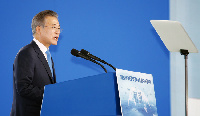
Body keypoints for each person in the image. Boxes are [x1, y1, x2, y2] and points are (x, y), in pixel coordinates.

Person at [10, 10, 61, 116]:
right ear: (39, 29)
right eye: (53, 27)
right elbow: (24, 88)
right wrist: (52, 93)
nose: (57, 31)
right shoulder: (27, 53)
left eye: (59, 28)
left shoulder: (47, 56)